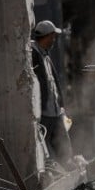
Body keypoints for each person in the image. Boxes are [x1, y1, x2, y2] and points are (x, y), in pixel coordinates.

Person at [30, 20, 71, 164]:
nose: (54, 40)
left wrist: (61, 105)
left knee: (64, 149)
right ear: (47, 36)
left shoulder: (45, 55)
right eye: (53, 36)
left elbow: (52, 82)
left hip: (55, 112)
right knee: (44, 152)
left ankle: (72, 179)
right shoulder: (33, 54)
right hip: (44, 115)